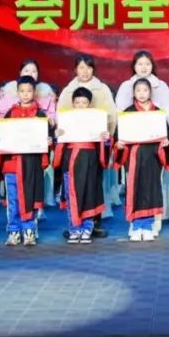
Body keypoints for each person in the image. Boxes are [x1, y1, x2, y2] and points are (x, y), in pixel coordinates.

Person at [114, 50, 169, 233]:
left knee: (154, 186)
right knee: (133, 186)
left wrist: (165, 142)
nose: (143, 67)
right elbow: (121, 122)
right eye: (140, 63)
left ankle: (154, 222)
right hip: (133, 153)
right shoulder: (127, 100)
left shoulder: (159, 102)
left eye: (147, 63)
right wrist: (120, 144)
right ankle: (134, 224)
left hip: (154, 152)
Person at [57, 54, 117, 237]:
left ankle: (94, 223)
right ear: (75, 69)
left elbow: (111, 116)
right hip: (73, 148)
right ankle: (75, 224)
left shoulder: (102, 89)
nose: (85, 71)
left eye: (89, 67)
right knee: (73, 186)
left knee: (94, 184)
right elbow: (60, 117)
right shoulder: (68, 91)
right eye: (81, 67)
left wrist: (107, 137)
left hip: (95, 147)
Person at [0, 75, 49, 247]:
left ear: (34, 92)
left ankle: (29, 230)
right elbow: (1, 134)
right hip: (12, 164)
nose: (25, 94)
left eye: (29, 91)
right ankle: (13, 231)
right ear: (17, 92)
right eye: (22, 91)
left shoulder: (40, 114)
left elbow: (46, 137)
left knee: (30, 198)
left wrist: (48, 141)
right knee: (13, 199)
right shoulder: (10, 113)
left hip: (31, 164)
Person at [54, 87, 110, 244]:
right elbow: (59, 144)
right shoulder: (66, 120)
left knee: (89, 193)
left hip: (90, 159)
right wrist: (57, 136)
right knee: (72, 194)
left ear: (89, 104)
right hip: (70, 159)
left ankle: (87, 228)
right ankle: (74, 229)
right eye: (77, 102)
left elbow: (103, 146)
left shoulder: (96, 119)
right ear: (73, 103)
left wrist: (105, 139)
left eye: (84, 102)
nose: (80, 105)